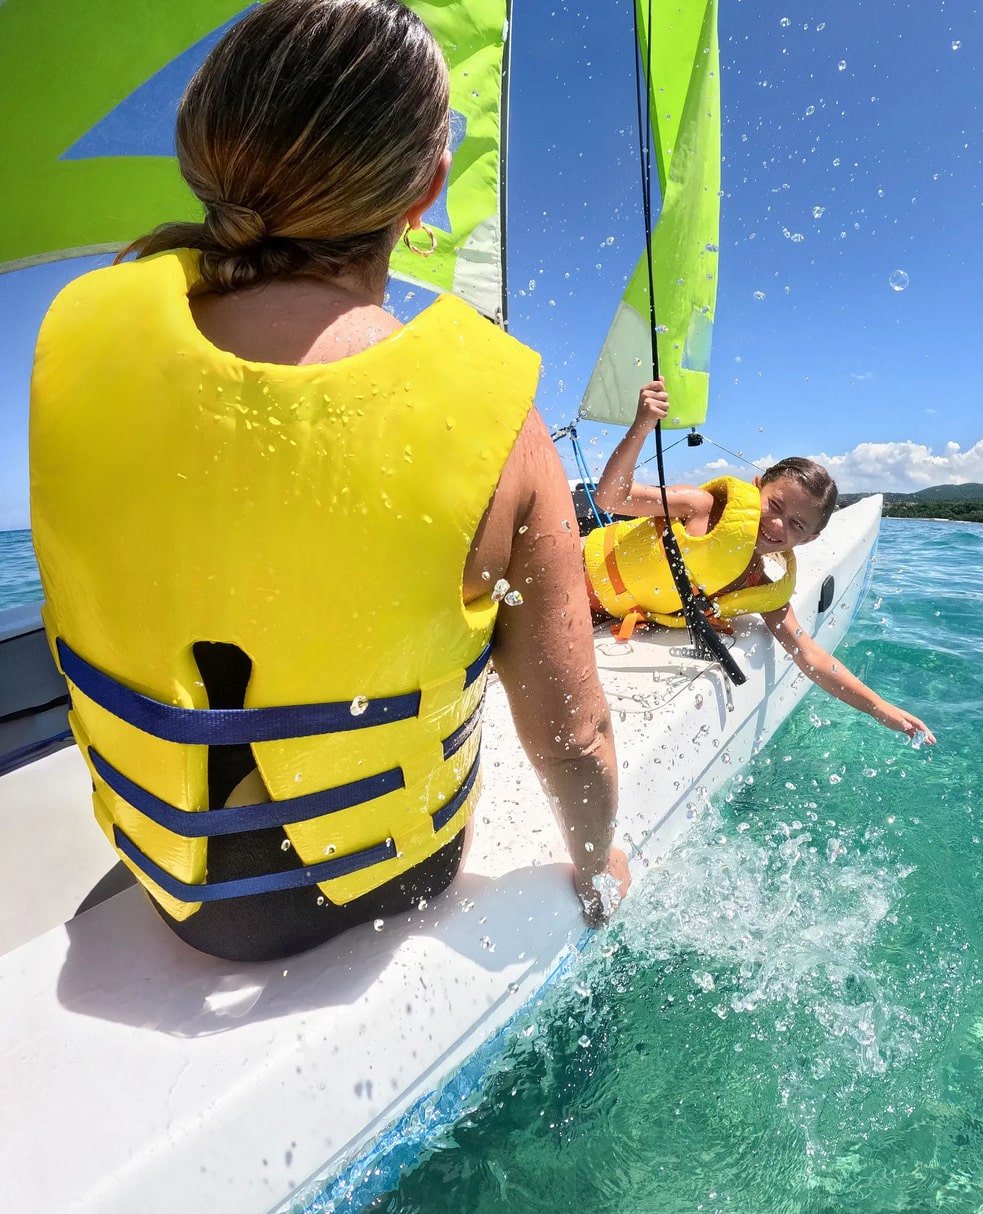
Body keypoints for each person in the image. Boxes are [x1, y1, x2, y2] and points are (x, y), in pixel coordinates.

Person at [28, 0, 627, 961]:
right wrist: (598, 865)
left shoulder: (76, 345)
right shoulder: (501, 428)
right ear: (427, 188)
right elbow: (575, 737)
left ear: (207, 147)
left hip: (152, 866)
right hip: (373, 882)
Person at [586, 380, 936, 743]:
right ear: (755, 488)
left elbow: (810, 657)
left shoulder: (765, 590)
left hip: (602, 614)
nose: (777, 524)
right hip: (571, 572)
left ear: (809, 539)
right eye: (775, 505)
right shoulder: (701, 507)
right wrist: (642, 424)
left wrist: (881, 709)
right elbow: (612, 498)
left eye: (797, 524)